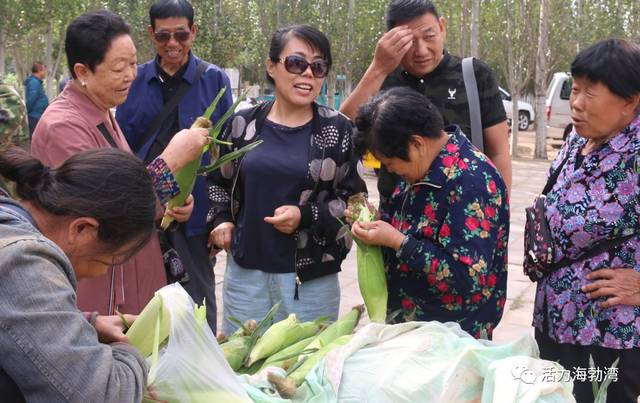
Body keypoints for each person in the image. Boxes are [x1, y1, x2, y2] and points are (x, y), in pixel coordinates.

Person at [30, 10, 205, 319]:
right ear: (83, 71)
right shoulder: (63, 127)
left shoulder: (103, 113)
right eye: (118, 67)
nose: (131, 75)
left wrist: (172, 203)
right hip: (101, 294)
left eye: (133, 63)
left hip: (133, 278)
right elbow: (110, 209)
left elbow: (130, 183)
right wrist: (172, 159)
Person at [208, 25, 367, 336]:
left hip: (310, 282)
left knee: (303, 371)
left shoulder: (338, 131)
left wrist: (306, 215)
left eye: (318, 66)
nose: (307, 74)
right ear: (271, 66)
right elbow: (217, 182)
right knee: (244, 367)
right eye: (296, 63)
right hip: (246, 275)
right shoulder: (242, 125)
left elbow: (355, 205)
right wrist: (222, 219)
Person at [0, 147, 161, 402]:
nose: (104, 271)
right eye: (112, 259)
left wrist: (86, 322)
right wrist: (131, 352)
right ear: (83, 228)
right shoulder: (23, 261)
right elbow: (104, 395)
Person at [350, 87, 509, 338]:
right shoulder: (419, 167)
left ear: (416, 143)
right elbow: (410, 227)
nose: (391, 171)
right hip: (410, 329)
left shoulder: (472, 181)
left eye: (391, 164)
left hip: (451, 339)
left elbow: (468, 278)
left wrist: (397, 241)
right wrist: (377, 225)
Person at [532, 38, 640, 403]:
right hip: (555, 326)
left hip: (607, 338)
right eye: (575, 89)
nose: (575, 103)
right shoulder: (578, 141)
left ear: (631, 100)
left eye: (590, 94)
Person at [116, 0, 232, 332]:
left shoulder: (213, 79)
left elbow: (226, 158)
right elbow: (123, 148)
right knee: (144, 308)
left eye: (181, 34)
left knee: (197, 310)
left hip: (195, 221)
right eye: (163, 36)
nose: (172, 44)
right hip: (142, 218)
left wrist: (218, 216)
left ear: (193, 33)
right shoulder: (134, 81)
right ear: (151, 35)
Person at [340, 0, 511, 199]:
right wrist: (378, 67)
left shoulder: (474, 75)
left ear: (442, 27)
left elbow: (499, 152)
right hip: (397, 212)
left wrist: (500, 209)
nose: (421, 50)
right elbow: (343, 126)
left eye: (429, 36)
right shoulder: (383, 78)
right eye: (409, 42)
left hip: (462, 213)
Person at [24, 61, 49, 136]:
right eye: (44, 70)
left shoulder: (37, 82)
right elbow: (30, 101)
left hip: (38, 116)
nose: (45, 72)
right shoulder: (34, 83)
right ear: (39, 70)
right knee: (36, 139)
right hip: (35, 117)